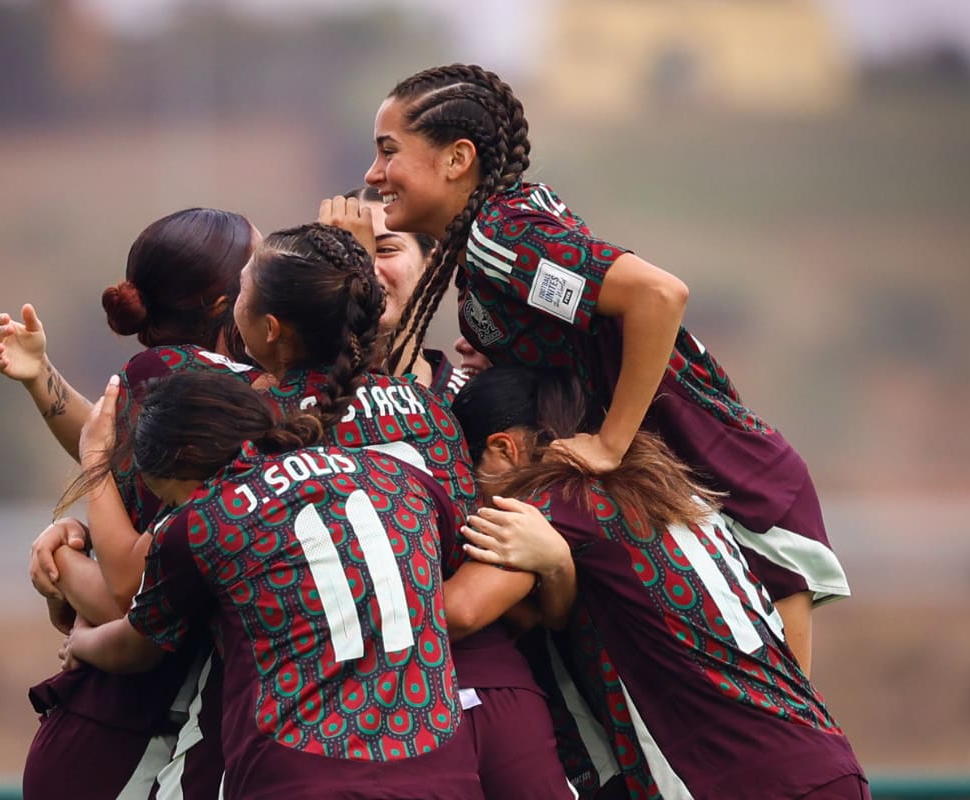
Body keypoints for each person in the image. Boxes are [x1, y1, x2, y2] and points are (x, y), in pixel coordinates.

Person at [363, 63, 848, 673]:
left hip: (731, 485)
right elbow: (583, 327)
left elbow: (657, 295)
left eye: (388, 151)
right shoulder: (493, 242)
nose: (373, 174)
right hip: (691, 493)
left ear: (457, 159)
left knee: (781, 731)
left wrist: (610, 443)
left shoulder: (501, 235)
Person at [219, 220, 574, 798]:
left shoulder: (258, 422)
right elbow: (473, 545)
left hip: (357, 708)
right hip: (491, 681)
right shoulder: (429, 407)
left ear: (272, 328)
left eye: (243, 291)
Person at [450, 366, 871, 800]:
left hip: (748, 779)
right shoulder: (662, 481)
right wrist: (558, 570)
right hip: (821, 759)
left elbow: (461, 610)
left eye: (467, 475)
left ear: (504, 448)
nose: (468, 495)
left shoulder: (559, 496)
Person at [61, 371, 485, 799]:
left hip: (299, 775)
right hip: (442, 774)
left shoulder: (206, 520)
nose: (172, 512)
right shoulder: (400, 478)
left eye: (170, 499)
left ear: (185, 458)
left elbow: (137, 644)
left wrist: (80, 639)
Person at [0, 207, 258, 798]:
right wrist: (69, 571)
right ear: (222, 303)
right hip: (124, 733)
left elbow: (105, 444)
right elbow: (131, 596)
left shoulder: (175, 374)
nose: (272, 278)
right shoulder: (206, 379)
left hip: (113, 724)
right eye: (259, 266)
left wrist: (42, 379)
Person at [331, 186, 471, 403]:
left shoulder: (470, 402)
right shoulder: (298, 405)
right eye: (346, 254)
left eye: (386, 249)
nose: (369, 270)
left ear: (432, 267)